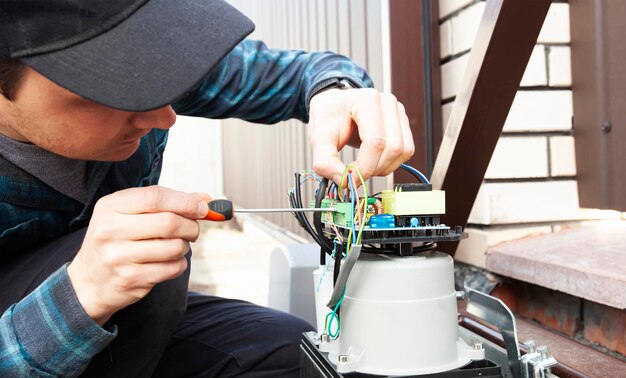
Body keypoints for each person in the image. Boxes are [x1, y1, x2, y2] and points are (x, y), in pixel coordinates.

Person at [0, 0, 414, 376]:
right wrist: (76, 299)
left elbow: (298, 74)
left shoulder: (147, 74)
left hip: (124, 334)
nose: (166, 117)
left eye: (165, 85)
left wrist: (337, 94)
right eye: (118, 87)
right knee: (147, 262)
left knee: (290, 353)